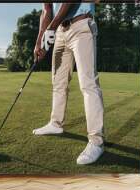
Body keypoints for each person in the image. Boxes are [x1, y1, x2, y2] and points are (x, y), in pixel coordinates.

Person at [33, 2, 104, 165]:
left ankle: (97, 141)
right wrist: (40, 41)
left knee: (88, 85)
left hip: (81, 25)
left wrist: (51, 27)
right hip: (59, 32)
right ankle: (55, 123)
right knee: (58, 83)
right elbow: (47, 9)